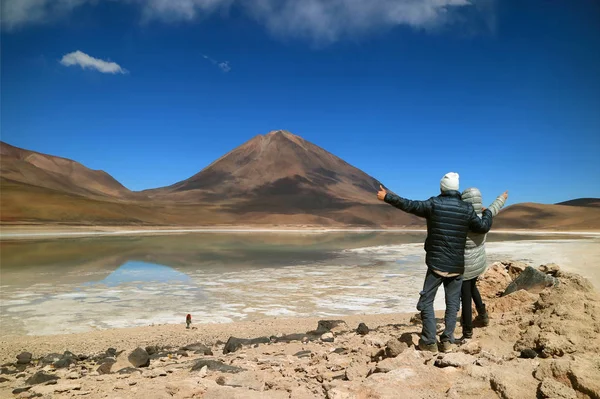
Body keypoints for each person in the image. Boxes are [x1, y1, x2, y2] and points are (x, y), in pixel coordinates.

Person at [377, 172, 493, 353]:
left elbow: (409, 205)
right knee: (453, 303)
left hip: (437, 264)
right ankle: (447, 341)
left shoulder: (433, 204)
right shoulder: (467, 209)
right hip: (456, 265)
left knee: (426, 302)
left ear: (442, 188)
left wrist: (387, 197)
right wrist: (488, 214)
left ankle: (429, 341)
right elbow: (483, 226)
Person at [460, 188, 508, 339]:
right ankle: (483, 315)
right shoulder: (484, 217)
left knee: (465, 296)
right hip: (478, 262)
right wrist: (502, 197)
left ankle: (467, 331)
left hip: (465, 264)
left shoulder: (462, 219)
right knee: (473, 287)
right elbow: (493, 209)